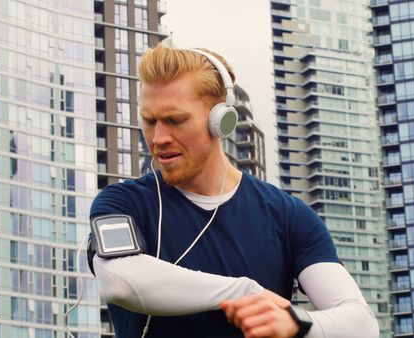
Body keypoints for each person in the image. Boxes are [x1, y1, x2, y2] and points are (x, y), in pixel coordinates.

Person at [87, 43, 379, 338]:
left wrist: (296, 323)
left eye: (175, 120)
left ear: (221, 121)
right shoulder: (123, 203)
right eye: (150, 121)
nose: (159, 137)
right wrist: (244, 291)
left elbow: (362, 324)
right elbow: (118, 278)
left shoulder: (287, 216)